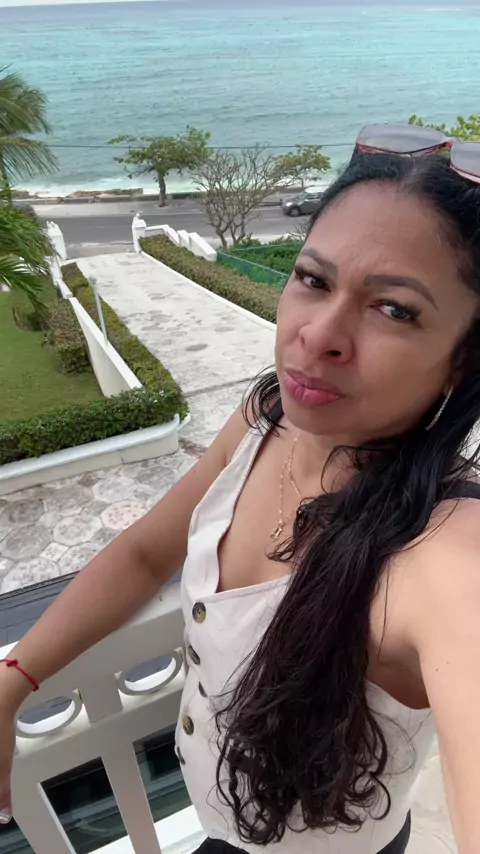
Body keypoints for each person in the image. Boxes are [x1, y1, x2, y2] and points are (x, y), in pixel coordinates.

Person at [2, 124, 480, 854]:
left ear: (462, 360)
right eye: (313, 279)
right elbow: (143, 554)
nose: (318, 334)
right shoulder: (264, 421)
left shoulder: (439, 549)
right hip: (224, 828)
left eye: (395, 309)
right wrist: (13, 679)